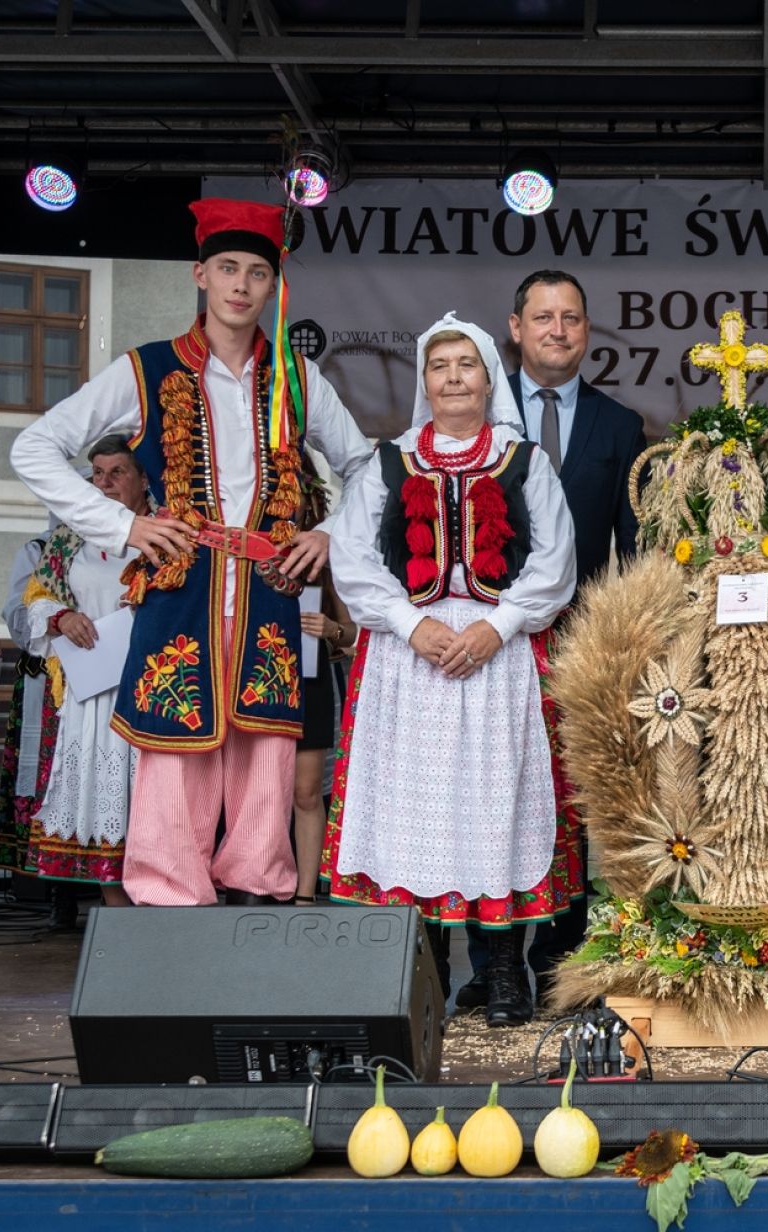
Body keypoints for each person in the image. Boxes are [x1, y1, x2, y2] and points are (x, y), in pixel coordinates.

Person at [11, 198, 372, 907]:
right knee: (174, 748)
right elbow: (36, 447)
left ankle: (260, 894)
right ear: (199, 274)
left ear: (273, 287)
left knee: (266, 754)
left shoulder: (297, 379)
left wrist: (330, 534)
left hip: (268, 587)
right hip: (181, 583)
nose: (242, 285)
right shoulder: (146, 370)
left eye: (258, 273)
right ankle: (170, 899)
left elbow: (365, 465)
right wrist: (125, 528)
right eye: (229, 268)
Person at [325, 312, 579, 1024]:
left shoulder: (524, 459)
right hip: (410, 662)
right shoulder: (389, 461)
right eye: (441, 366)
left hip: (499, 661)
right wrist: (413, 624)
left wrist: (497, 627)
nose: (454, 377)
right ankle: (426, 976)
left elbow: (555, 564)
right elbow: (356, 562)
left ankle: (501, 973)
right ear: (425, 381)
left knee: (495, 806)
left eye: (467, 364)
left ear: (487, 378)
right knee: (416, 810)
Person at [456, 271, 646, 1011]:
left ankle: (564, 961)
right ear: (514, 327)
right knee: (489, 795)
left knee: (569, 798)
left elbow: (632, 551)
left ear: (586, 331)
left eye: (570, 318)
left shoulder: (619, 425)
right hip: (489, 640)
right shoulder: (478, 415)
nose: (557, 331)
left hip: (582, 643)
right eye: (543, 317)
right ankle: (490, 962)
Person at [18, 436, 153, 912]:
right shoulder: (70, 535)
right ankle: (118, 915)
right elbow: (37, 596)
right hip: (93, 688)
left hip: (152, 689)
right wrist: (62, 618)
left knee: (152, 802)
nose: (105, 483)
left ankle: (164, 911)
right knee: (102, 802)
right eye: (97, 473)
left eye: (117, 472)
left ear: (142, 477)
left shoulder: (165, 531)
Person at [290, 453, 356, 904]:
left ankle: (304, 893)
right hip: (249, 679)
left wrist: (328, 630)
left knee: (307, 791)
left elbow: (354, 634)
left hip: (309, 678)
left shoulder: (328, 555)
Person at [0, 533, 58, 910]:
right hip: (51, 677)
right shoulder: (41, 549)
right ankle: (48, 884)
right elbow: (18, 615)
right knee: (46, 778)